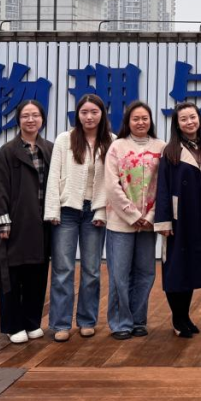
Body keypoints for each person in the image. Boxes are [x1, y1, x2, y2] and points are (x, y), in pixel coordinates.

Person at [45, 94, 114, 342]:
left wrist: (102, 211)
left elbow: (111, 182)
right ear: (78, 115)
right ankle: (61, 323)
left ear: (102, 114)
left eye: (94, 112)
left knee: (92, 270)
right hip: (67, 211)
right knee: (63, 269)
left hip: (94, 212)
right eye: (84, 112)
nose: (89, 117)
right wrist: (52, 210)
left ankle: (87, 320)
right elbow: (54, 176)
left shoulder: (112, 141)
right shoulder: (65, 139)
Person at [0, 100, 54, 344]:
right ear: (18, 120)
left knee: (37, 274)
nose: (30, 120)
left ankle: (32, 322)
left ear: (42, 119)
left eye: (35, 115)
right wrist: (2, 222)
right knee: (12, 276)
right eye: (26, 115)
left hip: (41, 224)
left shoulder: (50, 149)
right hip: (15, 225)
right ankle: (13, 325)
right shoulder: (8, 151)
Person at [103, 101, 165, 340]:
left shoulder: (161, 147)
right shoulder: (117, 146)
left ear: (151, 121)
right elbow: (111, 185)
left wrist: (149, 216)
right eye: (135, 118)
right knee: (119, 275)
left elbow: (164, 186)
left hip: (148, 224)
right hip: (121, 222)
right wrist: (132, 215)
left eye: (144, 118)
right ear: (128, 122)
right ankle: (121, 323)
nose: (140, 122)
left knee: (145, 272)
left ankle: (138, 320)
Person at [154, 102, 201, 338]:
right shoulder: (170, 151)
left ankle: (186, 316)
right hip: (179, 218)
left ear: (199, 119)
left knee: (193, 265)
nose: (190, 122)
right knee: (176, 266)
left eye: (193, 117)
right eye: (184, 119)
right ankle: (177, 317)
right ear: (177, 124)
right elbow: (163, 188)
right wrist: (164, 221)